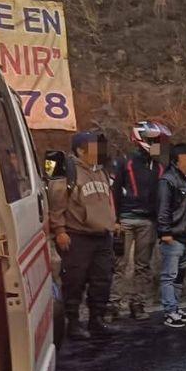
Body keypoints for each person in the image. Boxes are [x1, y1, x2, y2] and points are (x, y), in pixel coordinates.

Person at [49, 131, 117, 339]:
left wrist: (114, 222)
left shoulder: (102, 171)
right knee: (74, 281)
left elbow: (107, 201)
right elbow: (56, 204)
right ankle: (74, 323)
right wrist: (59, 230)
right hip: (77, 235)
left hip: (102, 236)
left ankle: (97, 319)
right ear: (81, 150)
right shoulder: (69, 172)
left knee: (102, 280)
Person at [109, 120, 171, 321]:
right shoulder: (124, 162)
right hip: (125, 219)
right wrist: (115, 219)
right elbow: (114, 191)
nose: (158, 144)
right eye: (154, 140)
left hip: (148, 221)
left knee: (143, 266)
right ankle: (113, 305)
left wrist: (162, 225)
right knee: (119, 265)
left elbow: (162, 197)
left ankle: (138, 303)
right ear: (141, 139)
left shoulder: (159, 167)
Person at [157, 143, 186, 328]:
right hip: (173, 235)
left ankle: (175, 307)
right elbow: (163, 208)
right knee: (169, 275)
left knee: (180, 274)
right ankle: (169, 311)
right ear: (179, 158)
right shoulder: (168, 180)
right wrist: (165, 231)